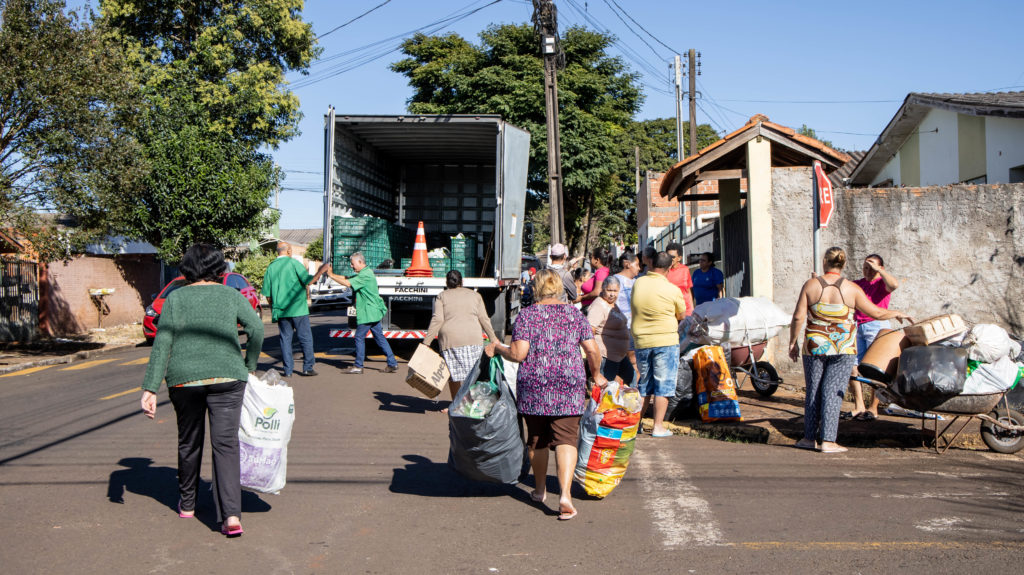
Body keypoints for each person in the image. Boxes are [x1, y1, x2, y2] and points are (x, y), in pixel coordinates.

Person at [140, 244, 263, 537]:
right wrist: (249, 365)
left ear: (188, 268)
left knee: (189, 441)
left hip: (184, 380)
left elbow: (163, 342)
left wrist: (150, 387)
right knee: (226, 445)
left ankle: (188, 504)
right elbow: (256, 329)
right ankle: (231, 517)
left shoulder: (175, 298)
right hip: (229, 377)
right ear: (219, 269)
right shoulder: (231, 295)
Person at [486, 269, 606, 521]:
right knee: (566, 439)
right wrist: (596, 375)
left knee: (537, 439)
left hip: (534, 385)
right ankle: (565, 495)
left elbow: (518, 354)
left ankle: (540, 490)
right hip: (569, 385)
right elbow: (592, 350)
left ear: (536, 288)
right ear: (560, 288)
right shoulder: (575, 314)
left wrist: (498, 348)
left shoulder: (527, 316)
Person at [788, 247, 912, 453]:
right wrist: (896, 313)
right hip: (843, 345)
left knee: (813, 391)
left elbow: (798, 316)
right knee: (832, 392)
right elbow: (875, 312)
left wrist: (792, 342)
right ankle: (828, 441)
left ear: (825, 262)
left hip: (815, 345)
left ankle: (809, 439)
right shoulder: (852, 288)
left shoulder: (811, 284)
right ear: (843, 265)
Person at [630, 251, 688, 437]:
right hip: (666, 340)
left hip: (642, 340)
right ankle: (658, 426)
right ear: (669, 268)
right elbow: (681, 315)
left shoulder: (638, 283)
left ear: (651, 264)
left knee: (644, 384)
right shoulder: (673, 290)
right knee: (663, 384)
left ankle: (635, 424)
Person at [423, 270, 499, 402]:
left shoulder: (442, 296)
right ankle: (473, 404)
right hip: (473, 340)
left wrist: (426, 343)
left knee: (453, 376)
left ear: (447, 282)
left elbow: (438, 319)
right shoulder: (475, 296)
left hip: (450, 341)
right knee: (472, 375)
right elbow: (484, 318)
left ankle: (456, 405)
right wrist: (494, 339)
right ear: (462, 282)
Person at [318, 252, 398, 374]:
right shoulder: (365, 273)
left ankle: (358, 366)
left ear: (360, 262)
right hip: (373, 311)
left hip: (368, 312)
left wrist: (330, 275)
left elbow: (348, 283)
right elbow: (346, 279)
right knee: (379, 337)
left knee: (359, 337)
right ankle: (392, 363)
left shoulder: (364, 275)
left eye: (353, 263)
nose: (351, 266)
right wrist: (331, 275)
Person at [847, 254, 900, 420]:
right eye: (865, 267)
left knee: (875, 369)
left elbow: (894, 284)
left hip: (876, 326)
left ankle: (873, 408)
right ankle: (859, 405)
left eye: (872, 268)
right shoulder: (857, 285)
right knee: (852, 365)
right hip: (857, 326)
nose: (868, 271)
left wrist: (880, 272)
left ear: (880, 268)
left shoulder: (881, 283)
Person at [262, 242, 326, 377]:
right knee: (305, 337)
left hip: (281, 310)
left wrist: (274, 305)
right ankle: (307, 367)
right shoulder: (294, 264)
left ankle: (288, 370)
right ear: (289, 251)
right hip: (298, 308)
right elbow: (308, 281)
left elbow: (267, 294)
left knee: (285, 339)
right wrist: (321, 271)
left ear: (277, 252)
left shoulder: (271, 268)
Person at [588, 276, 634, 385]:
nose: (612, 294)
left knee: (631, 378)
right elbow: (590, 330)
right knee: (605, 388)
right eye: (609, 290)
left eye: (615, 291)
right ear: (603, 289)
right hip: (606, 356)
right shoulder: (598, 305)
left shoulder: (612, 304)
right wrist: (595, 354)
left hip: (619, 356)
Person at [664, 242, 695, 317]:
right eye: (668, 256)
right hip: (670, 311)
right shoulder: (663, 271)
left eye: (673, 257)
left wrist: (692, 309)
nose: (670, 259)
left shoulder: (685, 269)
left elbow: (688, 290)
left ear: (679, 258)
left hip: (685, 311)